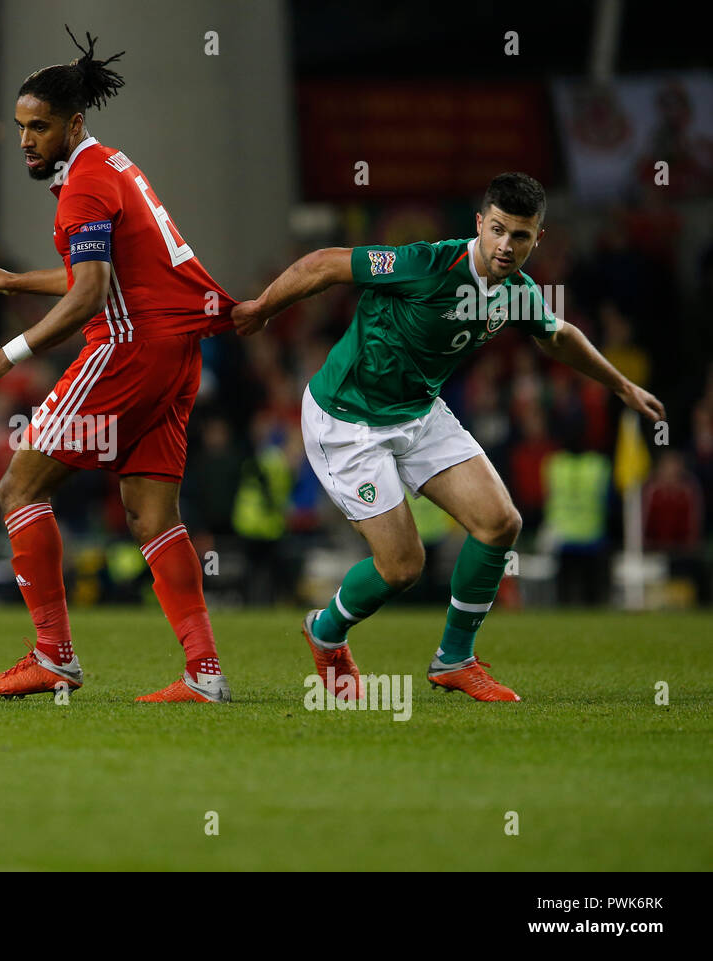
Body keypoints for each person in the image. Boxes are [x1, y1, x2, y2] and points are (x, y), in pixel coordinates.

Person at [233, 172, 665, 702]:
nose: (507, 246)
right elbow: (325, 264)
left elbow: (558, 336)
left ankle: (454, 659)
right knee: (403, 567)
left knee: (500, 523)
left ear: (538, 239)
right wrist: (263, 308)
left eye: (521, 236)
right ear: (480, 224)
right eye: (499, 230)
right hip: (348, 419)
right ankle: (325, 633)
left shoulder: (516, 292)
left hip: (418, 412)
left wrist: (620, 385)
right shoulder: (427, 264)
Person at [0, 28, 237, 702]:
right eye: (21, 126)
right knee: (151, 512)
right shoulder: (109, 164)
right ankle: (205, 672)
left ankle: (54, 656)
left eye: (40, 127)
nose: (26, 139)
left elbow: (90, 296)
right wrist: (15, 281)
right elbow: (105, 273)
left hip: (128, 349)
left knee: (20, 486)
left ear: (73, 123)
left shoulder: (82, 186)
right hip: (176, 350)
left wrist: (5, 354)